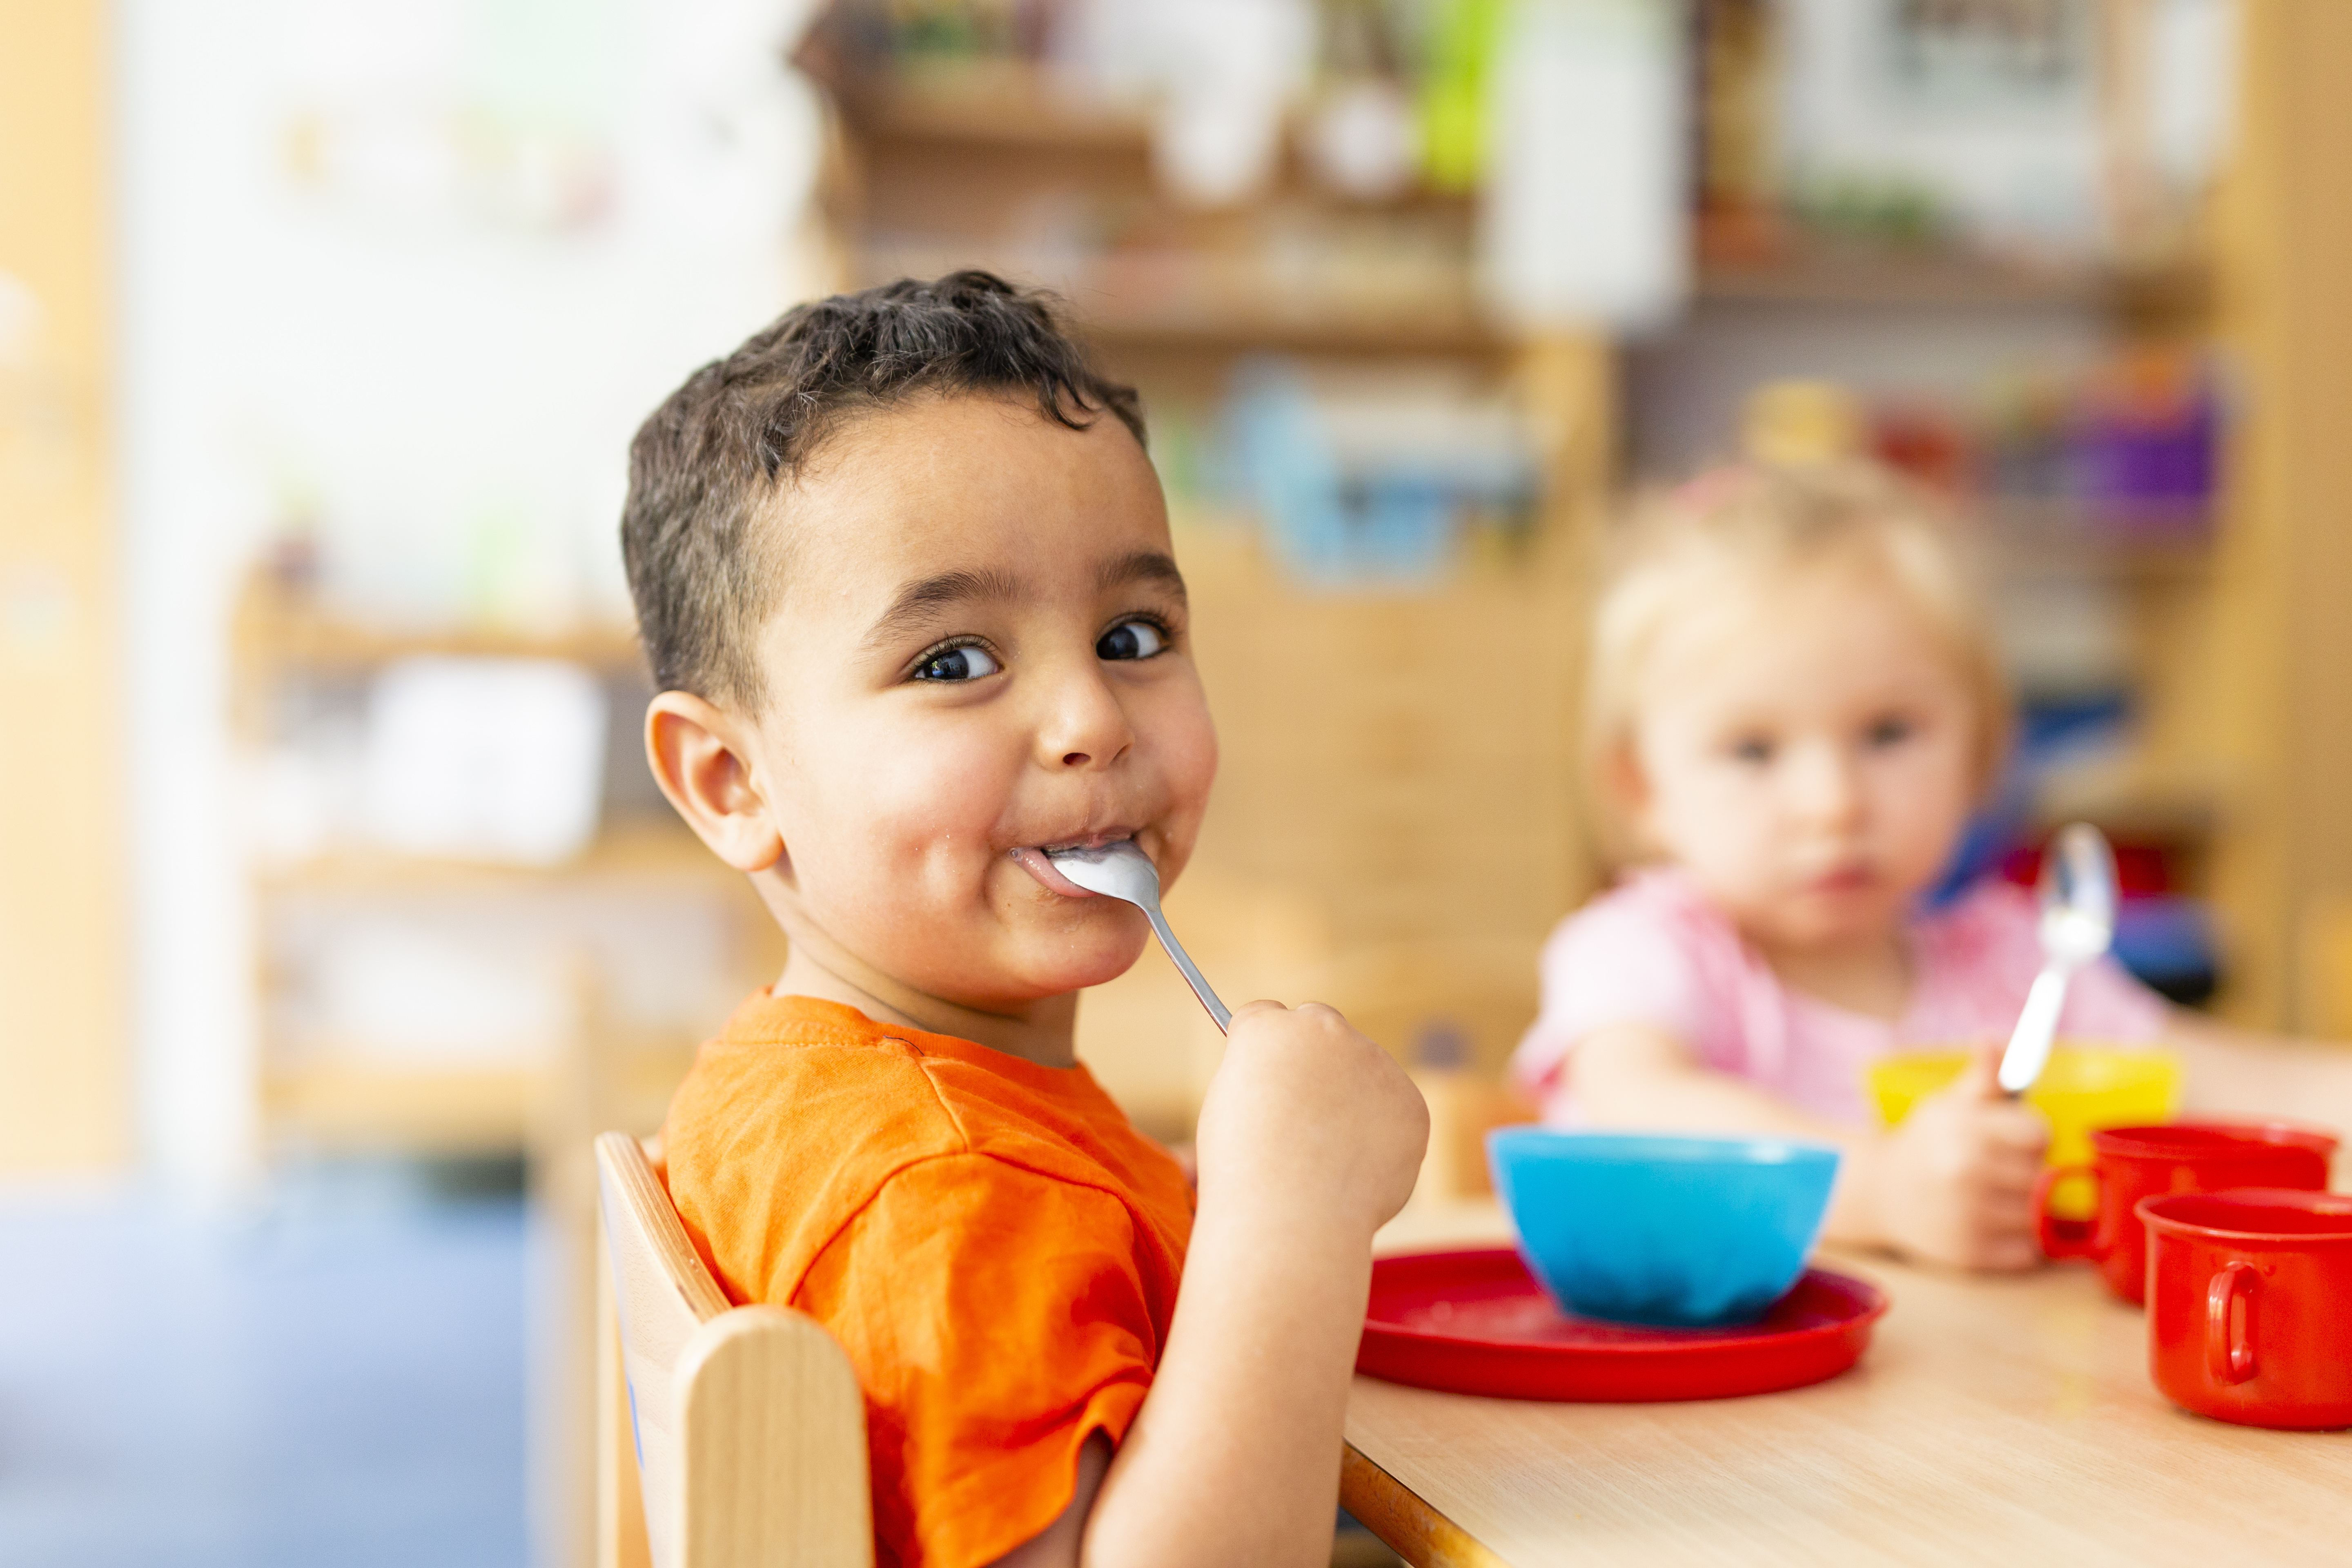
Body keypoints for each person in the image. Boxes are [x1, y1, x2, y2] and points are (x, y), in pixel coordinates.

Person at [621, 272, 1428, 1568]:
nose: (1094, 720)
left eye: (1132, 632)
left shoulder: (830, 1084)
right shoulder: (949, 1187)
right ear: (735, 781)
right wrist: (1292, 1223)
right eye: (952, 662)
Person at [1510, 460, 2182, 1272]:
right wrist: (1882, 1189)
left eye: (1888, 733)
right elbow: (1638, 1106)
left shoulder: (2013, 963)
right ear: (1643, 787)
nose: (1833, 802)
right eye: (1753, 749)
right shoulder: (1642, 951)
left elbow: (2193, 1075)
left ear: (1982, 751)